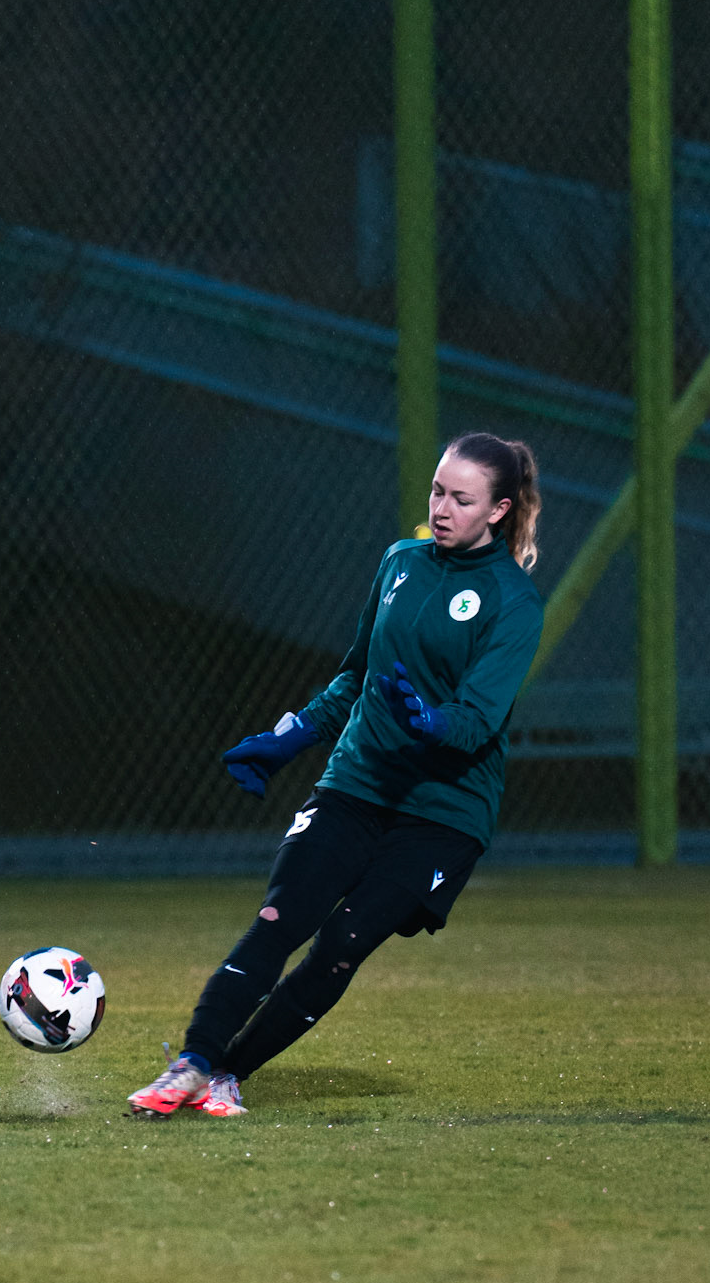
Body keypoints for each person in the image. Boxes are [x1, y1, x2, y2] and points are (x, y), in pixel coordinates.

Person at [128, 431, 546, 1119]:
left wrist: (432, 723)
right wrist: (286, 738)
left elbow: (475, 722)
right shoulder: (400, 563)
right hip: (356, 783)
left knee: (341, 947)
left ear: (498, 511)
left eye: (461, 499)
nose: (441, 507)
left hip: (442, 814)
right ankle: (189, 1065)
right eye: (437, 491)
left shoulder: (511, 600)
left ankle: (230, 1074)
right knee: (277, 920)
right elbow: (355, 674)